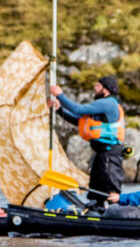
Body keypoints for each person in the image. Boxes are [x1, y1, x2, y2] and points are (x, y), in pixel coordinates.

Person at [49, 75, 125, 203]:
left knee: (110, 191)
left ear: (105, 89)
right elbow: (78, 121)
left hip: (109, 155)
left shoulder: (107, 103)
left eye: (97, 86)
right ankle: (97, 211)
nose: (94, 88)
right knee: (96, 191)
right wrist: (59, 109)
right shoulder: (103, 105)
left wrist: (60, 95)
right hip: (101, 153)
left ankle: (114, 215)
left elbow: (78, 109)